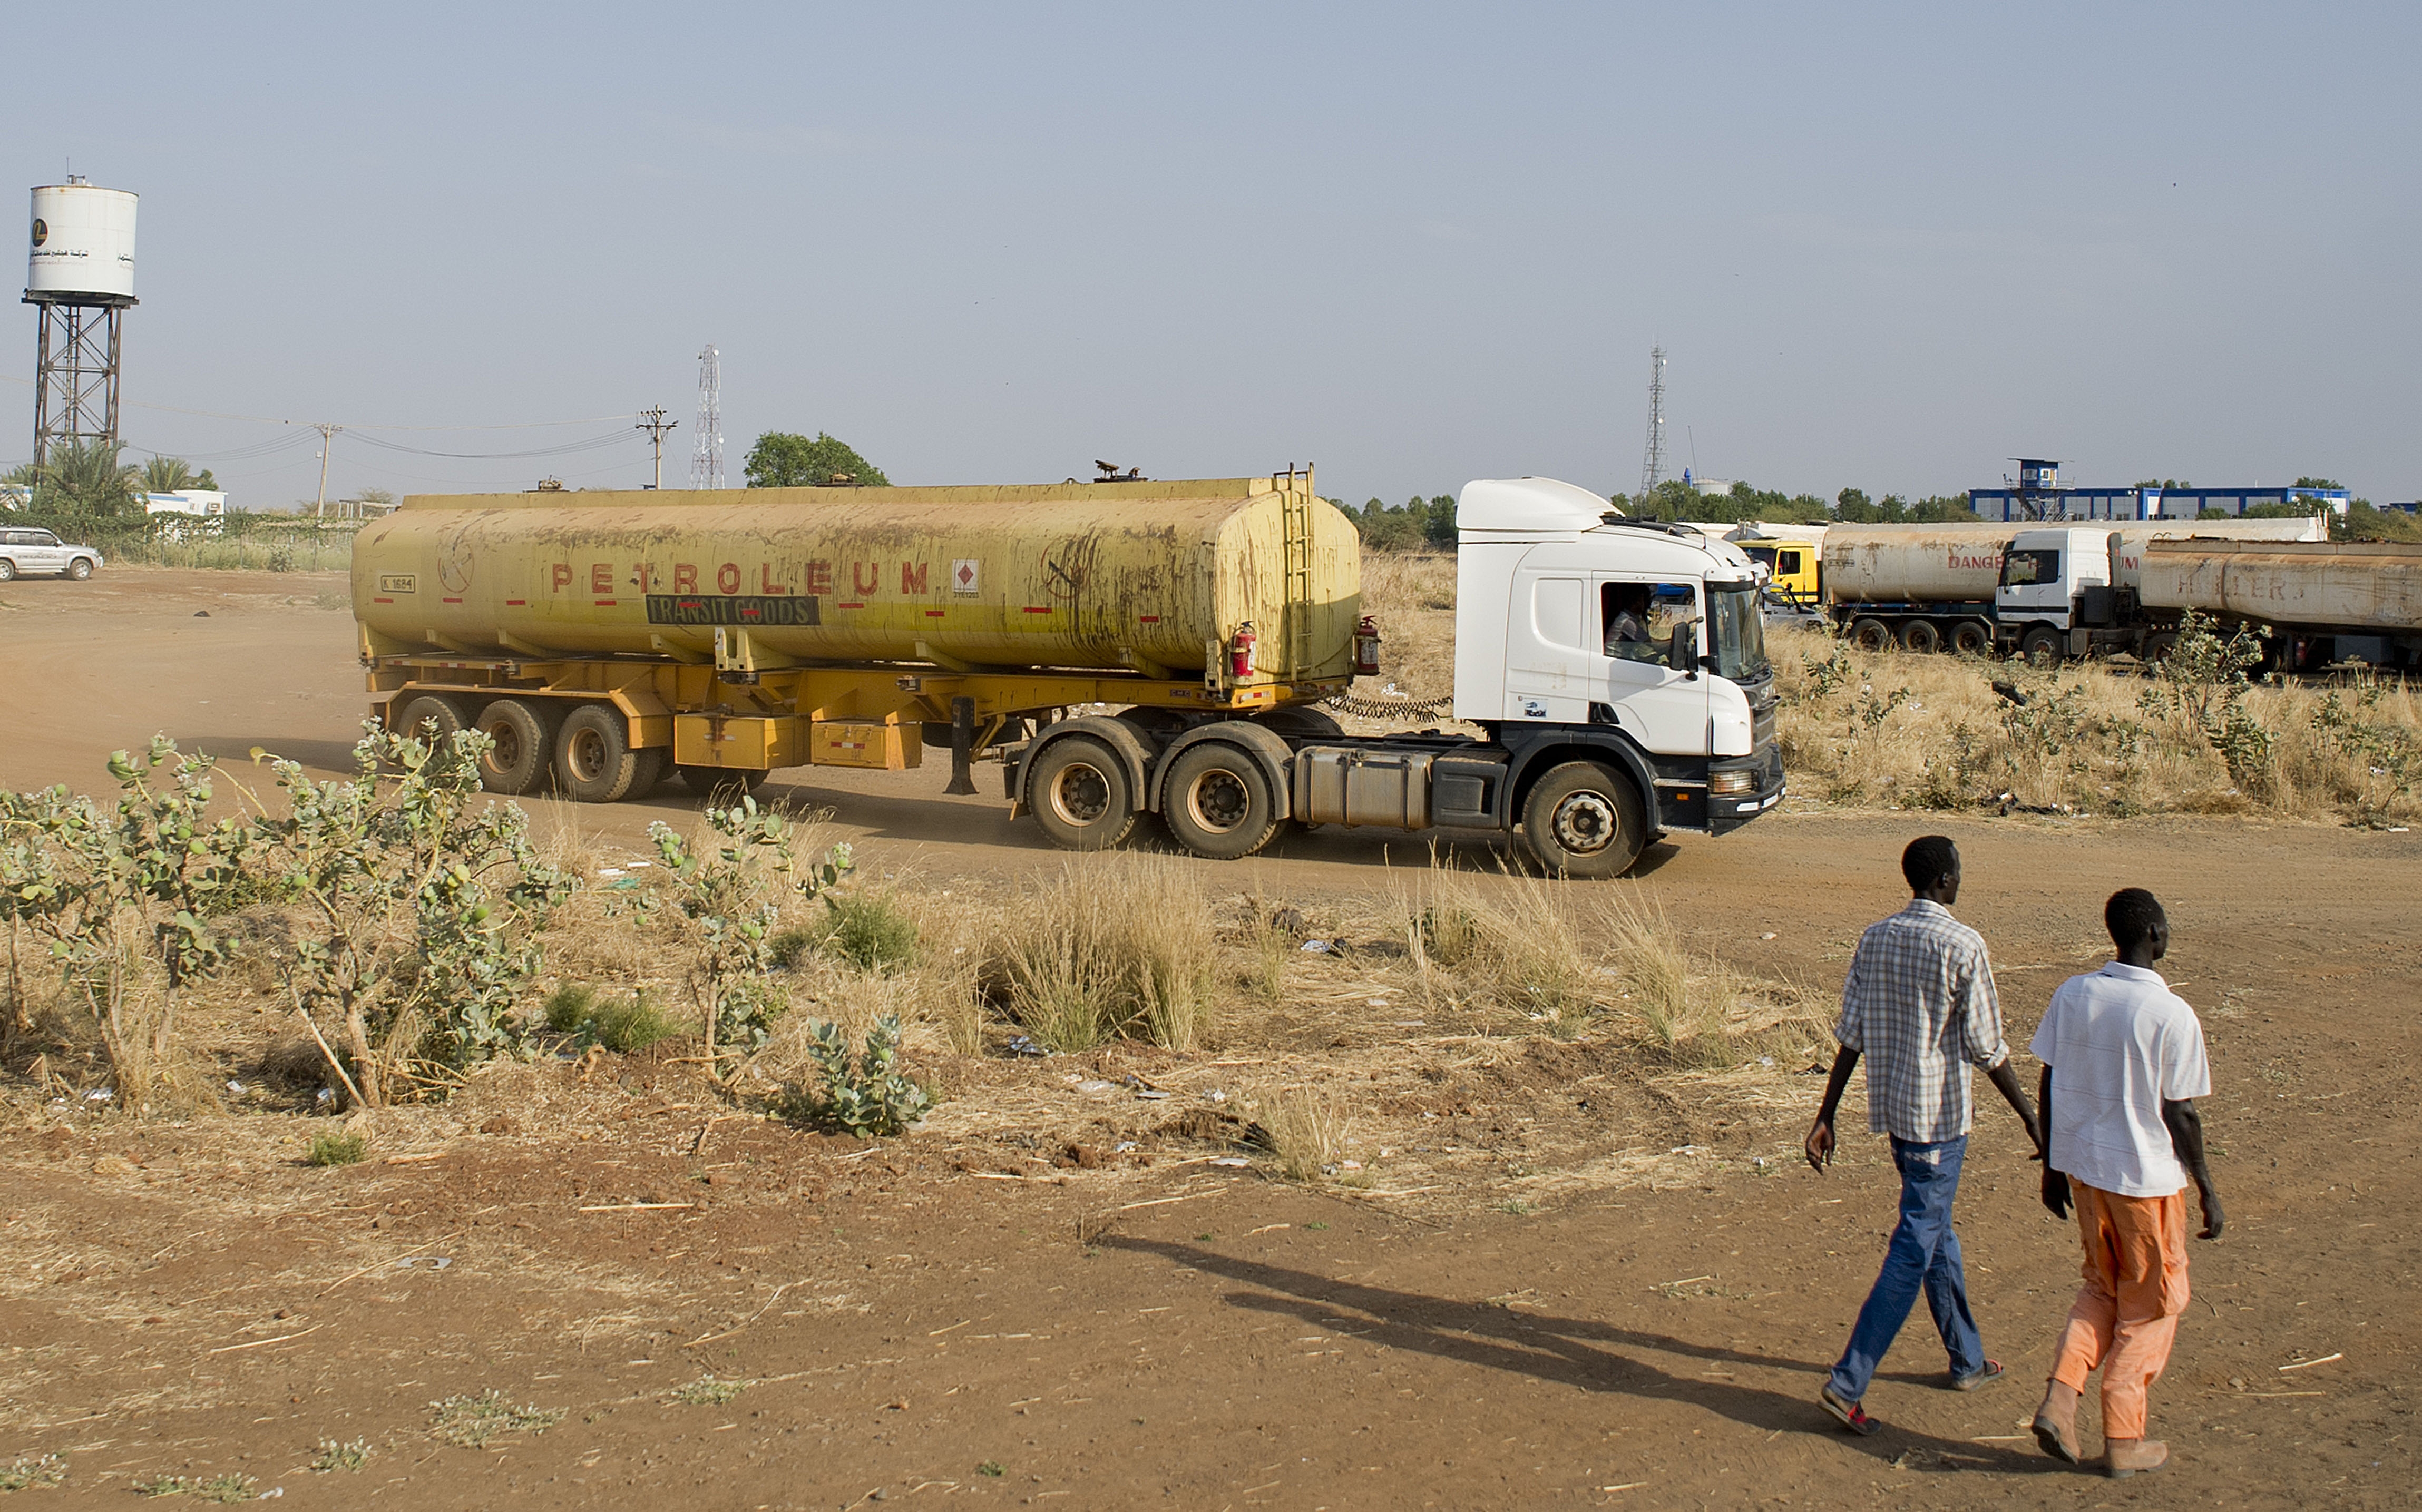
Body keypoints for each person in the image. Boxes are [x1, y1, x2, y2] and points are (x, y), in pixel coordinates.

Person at [1805, 835, 2042, 1435]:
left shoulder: (1876, 936)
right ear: (1945, 880)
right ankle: (1847, 1381)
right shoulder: (1963, 943)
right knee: (1915, 1246)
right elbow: (1988, 1048)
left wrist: (1826, 1112)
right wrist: (2030, 1115)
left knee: (1934, 1232)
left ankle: (1966, 1357)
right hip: (1940, 1122)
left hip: (1897, 1119)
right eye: (1958, 872)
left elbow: (1851, 1034)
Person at [2027, 888, 2221, 1479]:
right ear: (2157, 935)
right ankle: (2123, 1433)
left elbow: (2049, 1079)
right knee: (2154, 1302)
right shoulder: (2172, 1014)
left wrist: (2052, 1163)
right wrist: (2208, 1185)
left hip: (2086, 1171)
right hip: (2144, 1182)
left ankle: (2062, 1396)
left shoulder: (2074, 993)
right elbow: (2180, 1111)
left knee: (2101, 1288)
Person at [1605, 584, 1657, 661]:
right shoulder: (1626, 622)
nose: (1648, 605)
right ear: (1634, 601)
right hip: (1615, 660)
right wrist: (1670, 644)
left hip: (1624, 659)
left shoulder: (1631, 618)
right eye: (1645, 600)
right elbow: (1651, 644)